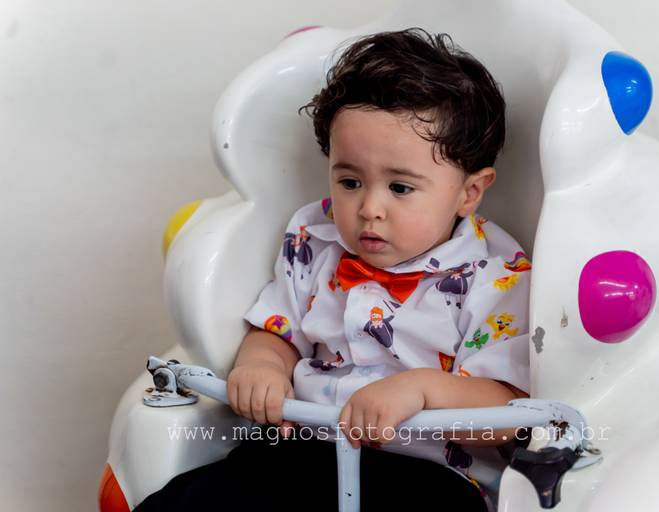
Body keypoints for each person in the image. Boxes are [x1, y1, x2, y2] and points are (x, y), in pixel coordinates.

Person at [135, 27, 531, 512]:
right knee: (190, 501)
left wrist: (422, 389)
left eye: (400, 188)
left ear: (469, 193)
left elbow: (509, 409)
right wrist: (263, 365)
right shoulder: (315, 239)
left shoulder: (497, 275)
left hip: (426, 472)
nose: (369, 208)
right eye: (349, 181)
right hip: (303, 446)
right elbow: (277, 329)